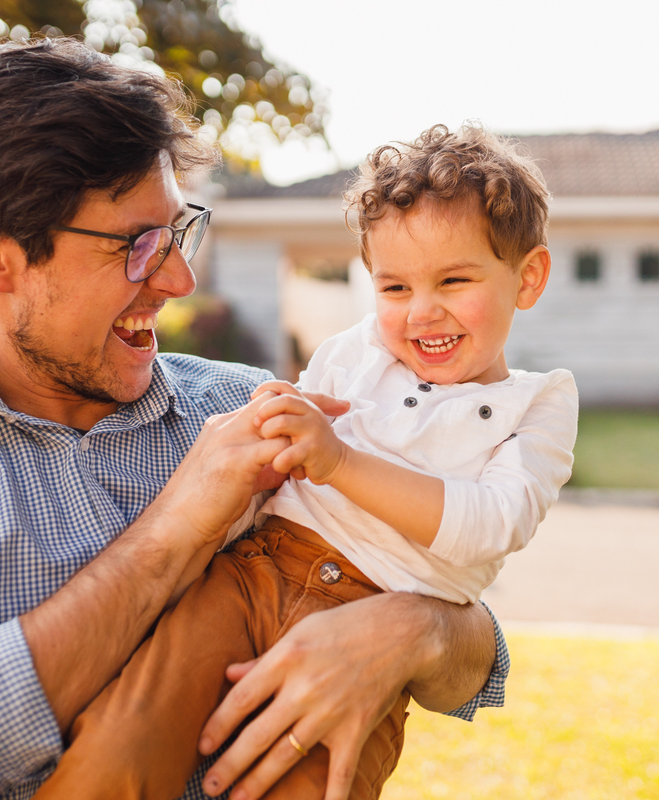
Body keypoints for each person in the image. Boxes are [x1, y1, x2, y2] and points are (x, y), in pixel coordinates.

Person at [0, 39, 509, 800]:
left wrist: (413, 632)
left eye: (177, 231)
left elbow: (475, 654)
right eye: (135, 245)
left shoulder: (246, 406)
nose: (178, 277)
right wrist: (175, 528)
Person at [35, 125, 578, 800]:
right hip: (249, 579)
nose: (422, 312)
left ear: (527, 278)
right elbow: (287, 470)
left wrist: (338, 460)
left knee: (315, 785)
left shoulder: (538, 403)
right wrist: (274, 434)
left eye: (455, 279)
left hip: (369, 626)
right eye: (395, 288)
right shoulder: (357, 353)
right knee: (125, 738)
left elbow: (492, 526)